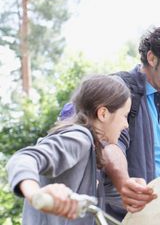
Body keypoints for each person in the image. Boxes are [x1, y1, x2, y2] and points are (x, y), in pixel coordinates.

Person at [54, 21, 160, 220]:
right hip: (124, 215)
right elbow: (111, 145)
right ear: (152, 58)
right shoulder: (121, 91)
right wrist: (125, 184)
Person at [6, 75, 131, 225]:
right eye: (124, 116)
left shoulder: (93, 152)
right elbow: (23, 158)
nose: (126, 125)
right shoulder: (79, 138)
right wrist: (35, 194)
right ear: (103, 113)